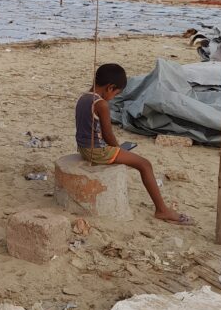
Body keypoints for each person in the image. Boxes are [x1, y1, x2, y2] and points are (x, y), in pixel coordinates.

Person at [75, 63, 192, 225]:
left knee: (133, 158)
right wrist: (117, 149)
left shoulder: (83, 97)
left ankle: (162, 209)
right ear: (110, 88)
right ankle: (161, 210)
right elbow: (108, 134)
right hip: (96, 151)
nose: (114, 97)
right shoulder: (101, 104)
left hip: (83, 147)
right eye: (116, 93)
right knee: (144, 164)